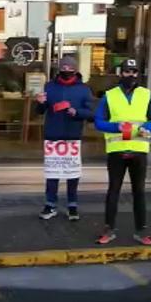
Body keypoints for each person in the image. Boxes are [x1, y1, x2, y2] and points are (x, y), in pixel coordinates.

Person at [94, 58, 151, 246]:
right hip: (117, 149)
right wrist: (116, 126)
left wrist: (148, 127)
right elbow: (98, 121)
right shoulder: (110, 95)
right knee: (113, 191)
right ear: (120, 73)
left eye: (134, 72)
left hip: (139, 149)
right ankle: (108, 230)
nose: (130, 75)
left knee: (139, 192)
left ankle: (141, 231)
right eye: (127, 72)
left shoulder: (146, 94)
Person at [35, 56, 94, 221]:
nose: (66, 71)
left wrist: (77, 112)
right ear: (59, 69)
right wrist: (39, 102)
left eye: (70, 68)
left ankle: (72, 205)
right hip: (52, 135)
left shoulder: (84, 89)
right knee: (52, 172)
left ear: (75, 70)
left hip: (72, 136)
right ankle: (50, 204)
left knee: (72, 173)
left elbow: (91, 114)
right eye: (64, 68)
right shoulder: (50, 86)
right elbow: (40, 111)